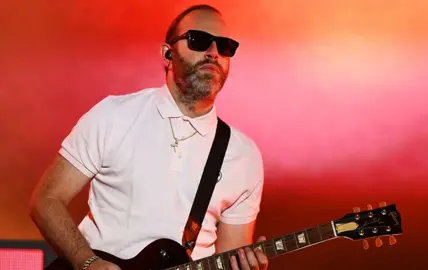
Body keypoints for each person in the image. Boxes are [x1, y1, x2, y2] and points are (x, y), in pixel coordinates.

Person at [29, 4, 268, 270]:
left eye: (225, 46)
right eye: (199, 40)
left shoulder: (243, 155)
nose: (213, 53)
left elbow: (229, 258)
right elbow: (46, 200)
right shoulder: (114, 115)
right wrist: (88, 262)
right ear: (168, 54)